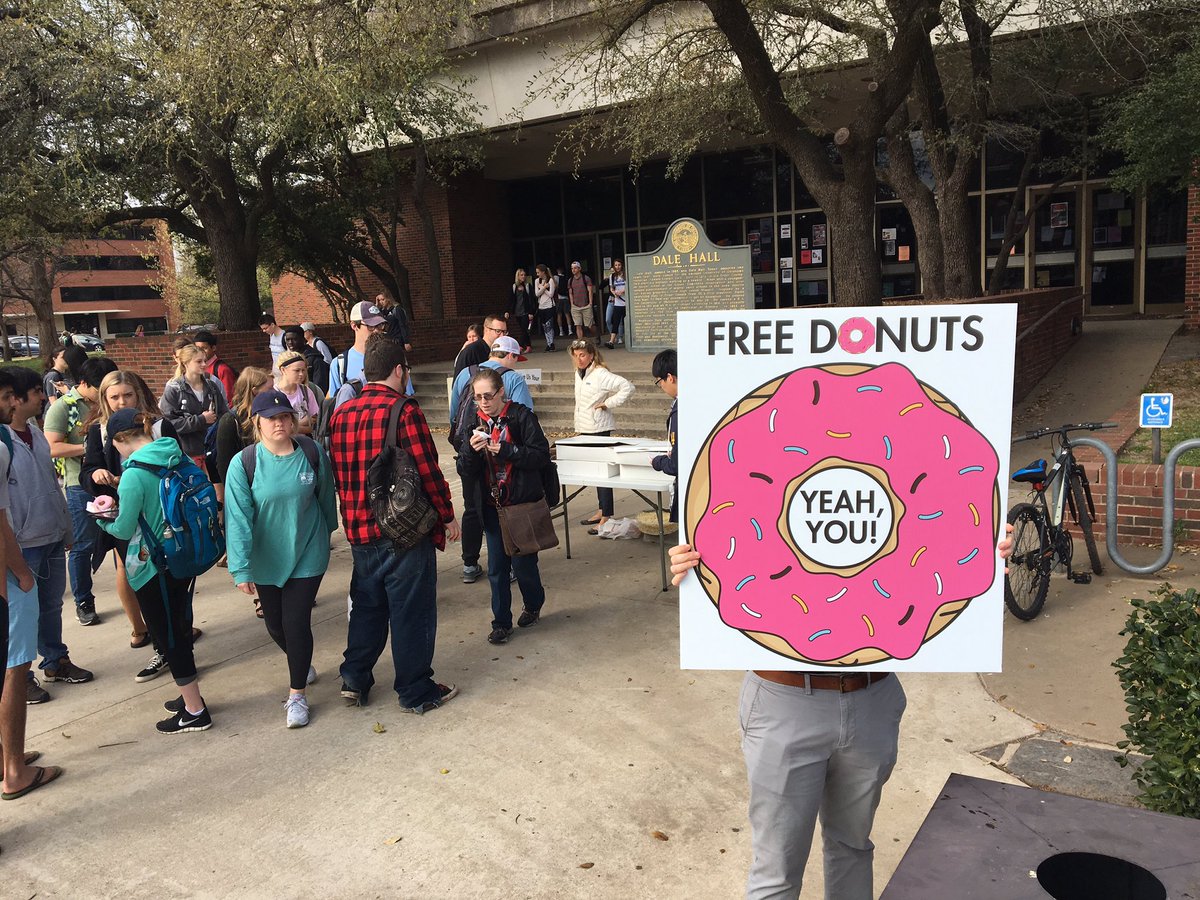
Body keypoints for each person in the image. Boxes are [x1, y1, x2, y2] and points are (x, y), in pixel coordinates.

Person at [666, 531, 1015, 900]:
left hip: (871, 697)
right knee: (778, 865)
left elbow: (926, 552)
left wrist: (985, 547)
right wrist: (693, 562)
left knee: (852, 845)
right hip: (785, 697)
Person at [328, 334, 461, 712]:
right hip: (402, 532)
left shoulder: (342, 414)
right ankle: (415, 689)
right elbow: (427, 469)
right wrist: (446, 514)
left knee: (367, 605)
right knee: (410, 610)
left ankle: (354, 678)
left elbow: (340, 473)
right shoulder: (404, 411)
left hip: (357, 528)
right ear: (399, 370)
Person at [225, 389, 337, 728]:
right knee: (275, 624)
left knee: (295, 621)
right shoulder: (244, 463)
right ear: (257, 423)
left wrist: (328, 534)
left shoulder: (311, 452)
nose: (280, 423)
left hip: (308, 550)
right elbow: (238, 518)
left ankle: (297, 696)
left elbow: (325, 497)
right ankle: (299, 661)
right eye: (272, 418)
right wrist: (241, 566)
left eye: (285, 417)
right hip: (266, 557)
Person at [96, 408, 212, 734]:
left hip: (154, 565)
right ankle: (189, 695)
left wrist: (100, 516)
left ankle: (194, 709)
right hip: (184, 554)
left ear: (121, 439)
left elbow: (122, 527)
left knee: (167, 635)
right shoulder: (174, 454)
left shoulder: (134, 473)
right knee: (180, 625)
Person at [80, 370, 194, 682]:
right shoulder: (100, 431)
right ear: (103, 399)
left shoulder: (158, 425)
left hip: (164, 521)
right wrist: (96, 476)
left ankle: (179, 647)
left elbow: (179, 467)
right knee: (138, 580)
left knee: (174, 587)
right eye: (113, 397)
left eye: (126, 395)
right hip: (126, 518)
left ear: (138, 394)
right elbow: (88, 469)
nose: (120, 402)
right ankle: (163, 645)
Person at [0, 367, 90, 707]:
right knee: (21, 615)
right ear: (16, 398)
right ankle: (19, 677)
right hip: (22, 544)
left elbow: (51, 483)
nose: (42, 396)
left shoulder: (36, 433)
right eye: (35, 391)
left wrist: (65, 526)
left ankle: (55, 660)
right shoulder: (3, 440)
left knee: (51, 605)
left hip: (51, 533)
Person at [1, 376, 63, 798]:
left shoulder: (27, 435)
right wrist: (21, 571)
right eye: (5, 396)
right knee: (15, 670)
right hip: (10, 571)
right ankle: (14, 770)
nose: (10, 403)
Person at [456, 368, 550, 645]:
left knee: (524, 566)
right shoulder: (473, 421)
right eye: (477, 397)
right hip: (491, 505)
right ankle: (501, 622)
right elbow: (463, 468)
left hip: (519, 505)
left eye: (488, 396)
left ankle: (533, 604)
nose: (483, 402)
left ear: (501, 393)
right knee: (497, 568)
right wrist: (471, 453)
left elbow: (541, 456)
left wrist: (508, 451)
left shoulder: (521, 416)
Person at [449, 336, 535, 585]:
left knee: (472, 507)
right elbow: (524, 416)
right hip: (503, 462)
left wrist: (467, 445)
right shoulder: (512, 378)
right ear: (510, 356)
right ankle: (510, 566)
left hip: (472, 449)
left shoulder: (466, 372)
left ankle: (469, 563)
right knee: (506, 513)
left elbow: (454, 413)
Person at [44, 355, 117, 626]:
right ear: (84, 382)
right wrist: (91, 449)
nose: (103, 394)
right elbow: (51, 446)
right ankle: (84, 600)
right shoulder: (63, 407)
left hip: (115, 482)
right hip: (79, 485)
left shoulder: (109, 401)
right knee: (83, 546)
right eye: (99, 388)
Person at [570, 340, 634, 531]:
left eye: (582, 355)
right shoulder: (579, 373)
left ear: (591, 355)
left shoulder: (600, 373)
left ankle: (607, 515)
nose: (579, 359)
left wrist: (608, 403)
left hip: (599, 428)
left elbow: (627, 387)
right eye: (576, 355)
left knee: (603, 472)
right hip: (585, 427)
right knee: (595, 472)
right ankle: (601, 509)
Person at [159, 344, 230, 471]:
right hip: (187, 453)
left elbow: (224, 414)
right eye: (198, 361)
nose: (204, 364)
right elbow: (169, 424)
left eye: (205, 360)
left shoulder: (212, 386)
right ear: (185, 363)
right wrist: (201, 419)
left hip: (213, 450)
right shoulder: (174, 389)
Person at [329, 300, 387, 407]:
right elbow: (337, 407)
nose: (376, 331)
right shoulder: (339, 364)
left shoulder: (393, 357)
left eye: (380, 325)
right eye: (370, 325)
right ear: (354, 326)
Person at [649, 350, 678, 522]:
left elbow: (675, 465)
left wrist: (658, 462)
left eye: (660, 381)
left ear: (670, 377)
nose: (661, 386)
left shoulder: (682, 410)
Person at [274, 350, 319, 435]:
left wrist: (293, 428)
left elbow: (313, 422)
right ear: (283, 370)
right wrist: (302, 423)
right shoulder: (274, 393)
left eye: (303, 370)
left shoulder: (306, 391)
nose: (301, 374)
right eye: (297, 370)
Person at [191, 330, 236, 402]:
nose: (200, 352)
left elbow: (229, 399)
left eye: (204, 348)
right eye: (197, 349)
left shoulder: (222, 369)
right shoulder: (195, 368)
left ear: (213, 348)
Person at [287, 327, 329, 395]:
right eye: (288, 340)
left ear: (302, 339)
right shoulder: (288, 358)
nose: (290, 342)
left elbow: (319, 387)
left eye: (294, 339)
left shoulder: (315, 359)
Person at [566, 261, 595, 340]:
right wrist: (572, 303)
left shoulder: (586, 278)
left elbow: (590, 291)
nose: (573, 270)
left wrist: (590, 303)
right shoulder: (570, 280)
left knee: (589, 326)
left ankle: (596, 334)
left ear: (579, 268)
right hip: (575, 306)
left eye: (575, 268)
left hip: (586, 305)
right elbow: (570, 293)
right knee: (578, 325)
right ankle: (581, 342)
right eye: (572, 268)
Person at [508, 269, 535, 354]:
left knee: (524, 329)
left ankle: (520, 346)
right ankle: (528, 346)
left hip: (526, 312)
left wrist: (531, 312)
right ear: (518, 276)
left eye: (524, 275)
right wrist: (508, 311)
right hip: (517, 311)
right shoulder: (514, 287)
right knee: (523, 330)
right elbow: (511, 299)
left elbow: (531, 300)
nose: (523, 276)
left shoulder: (527, 286)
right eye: (521, 275)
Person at [534, 265, 558, 352]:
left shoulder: (550, 280)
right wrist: (544, 287)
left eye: (538, 272)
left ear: (543, 272)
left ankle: (551, 343)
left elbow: (551, 294)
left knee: (549, 325)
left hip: (549, 306)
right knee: (544, 325)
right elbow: (537, 294)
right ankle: (548, 343)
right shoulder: (537, 281)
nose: (537, 274)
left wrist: (543, 289)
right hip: (541, 306)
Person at [605, 259, 627, 349]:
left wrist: (623, 291)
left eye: (619, 265)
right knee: (616, 321)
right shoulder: (612, 276)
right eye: (616, 265)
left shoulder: (626, 274)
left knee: (628, 321)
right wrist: (614, 293)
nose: (618, 267)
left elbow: (631, 285)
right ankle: (611, 341)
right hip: (618, 302)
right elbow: (611, 288)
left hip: (626, 302)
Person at [554, 265, 571, 338]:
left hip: (559, 298)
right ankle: (570, 330)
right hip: (566, 297)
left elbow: (555, 287)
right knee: (567, 314)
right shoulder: (567, 278)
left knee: (559, 315)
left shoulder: (556, 277)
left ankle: (561, 331)